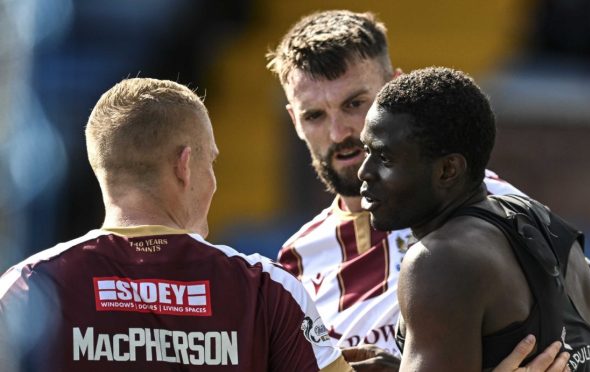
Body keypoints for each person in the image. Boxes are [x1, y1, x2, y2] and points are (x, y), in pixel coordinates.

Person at [266, 9, 590, 371]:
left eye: (354, 103)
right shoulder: (296, 259)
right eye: (315, 116)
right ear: (294, 120)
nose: (339, 132)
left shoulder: (486, 203)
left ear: (392, 90)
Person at [0, 78, 352, 371]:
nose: (213, 179)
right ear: (184, 166)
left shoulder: (29, 285)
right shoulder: (266, 289)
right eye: (210, 160)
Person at [358, 66, 590, 371]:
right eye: (366, 151)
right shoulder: (548, 225)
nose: (365, 172)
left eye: (384, 157)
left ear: (448, 170)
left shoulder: (438, 261)